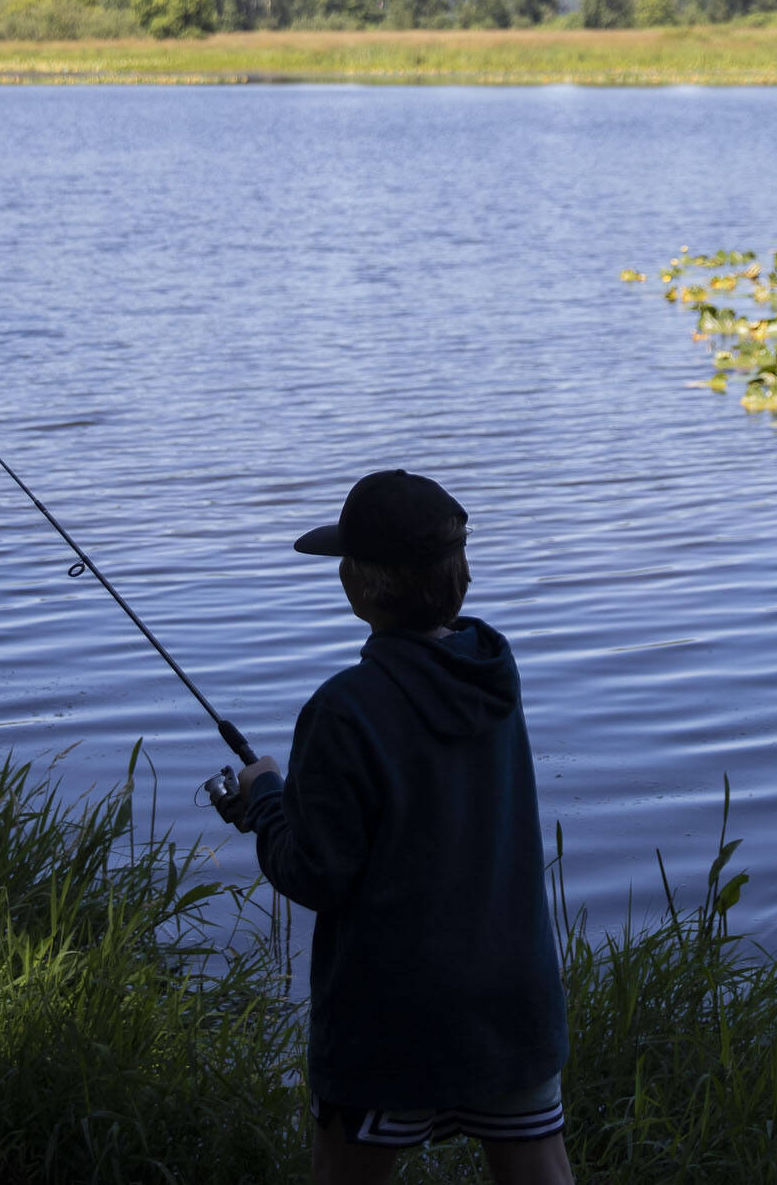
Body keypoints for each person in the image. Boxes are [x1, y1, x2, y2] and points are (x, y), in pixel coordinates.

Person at [235, 469, 573, 1185]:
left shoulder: (344, 708)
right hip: (515, 999)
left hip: (390, 1017)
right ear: (459, 575)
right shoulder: (491, 672)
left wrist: (265, 800)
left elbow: (315, 871)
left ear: (361, 584)